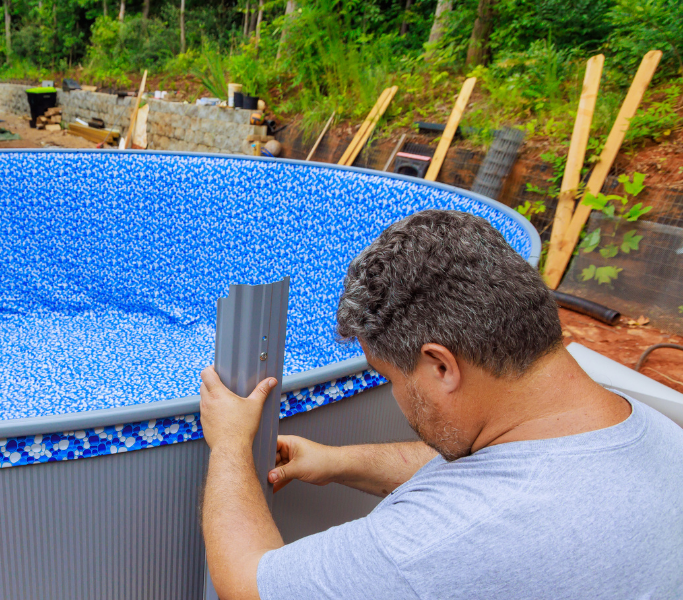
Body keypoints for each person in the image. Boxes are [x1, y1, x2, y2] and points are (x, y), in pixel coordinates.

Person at [199, 209, 683, 600]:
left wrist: (229, 444)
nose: (395, 396)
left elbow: (246, 583)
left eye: (389, 377)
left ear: (441, 367)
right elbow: (499, 472)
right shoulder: (650, 429)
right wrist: (337, 461)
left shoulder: (434, 546)